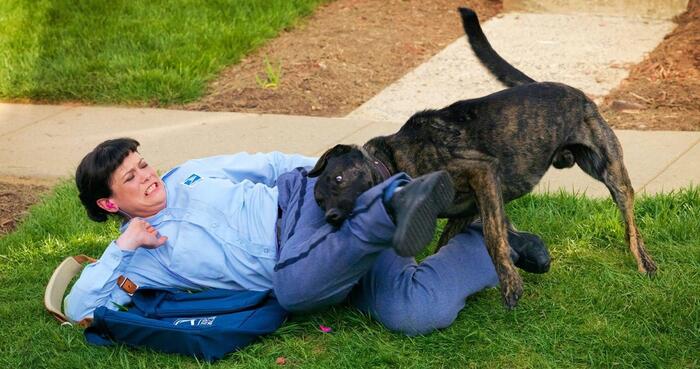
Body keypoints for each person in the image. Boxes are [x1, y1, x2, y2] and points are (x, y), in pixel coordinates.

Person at [66, 137, 550, 335]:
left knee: (295, 292)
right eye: (131, 178)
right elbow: (78, 308)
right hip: (314, 267)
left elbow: (275, 166)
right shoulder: (137, 258)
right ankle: (493, 242)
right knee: (416, 311)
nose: (148, 176)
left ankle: (386, 203)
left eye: (142, 163)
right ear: (109, 204)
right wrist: (122, 248)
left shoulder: (188, 174)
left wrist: (346, 180)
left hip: (307, 210)